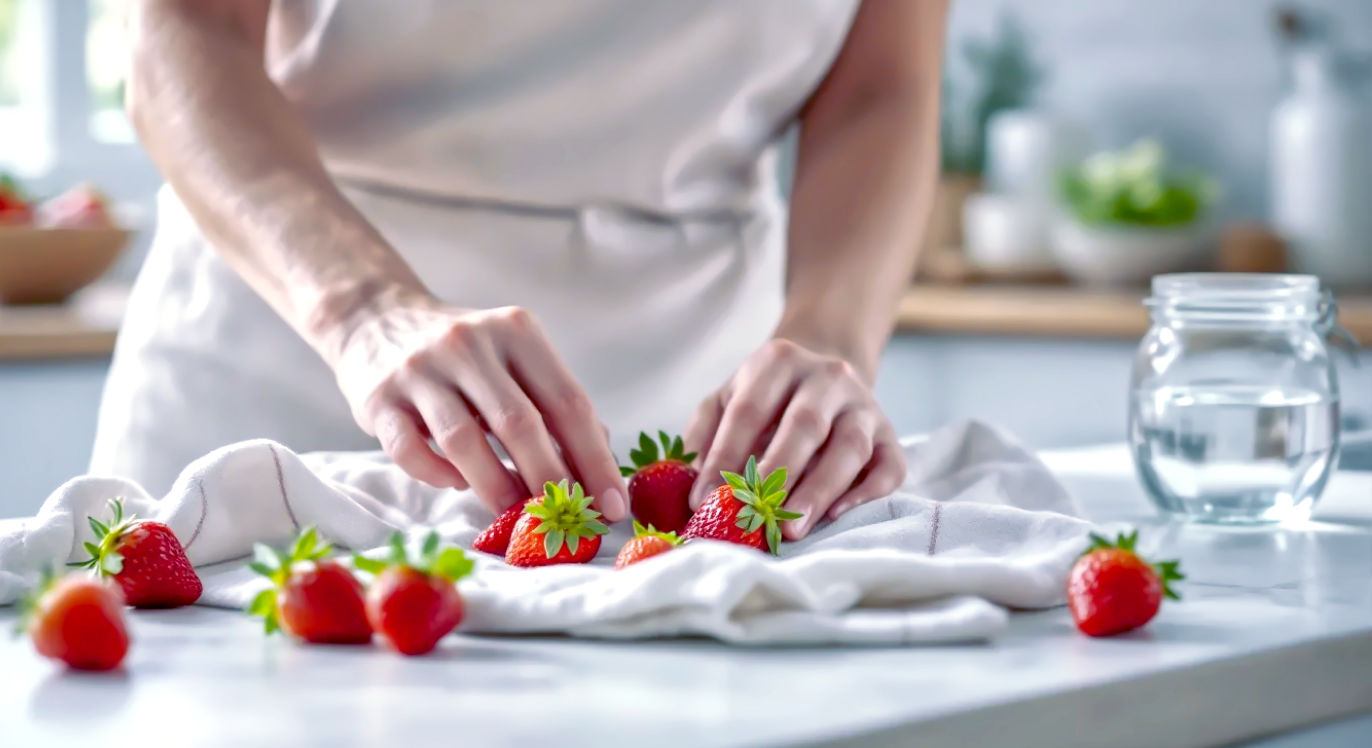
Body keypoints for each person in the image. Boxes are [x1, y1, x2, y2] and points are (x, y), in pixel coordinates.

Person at [93, 0, 946, 540]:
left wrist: (831, 336)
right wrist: (362, 309)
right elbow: (179, 26)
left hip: (697, 413)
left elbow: (883, 90)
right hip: (291, 343)